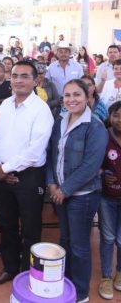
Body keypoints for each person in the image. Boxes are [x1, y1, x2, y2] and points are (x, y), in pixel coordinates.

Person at [0, 61, 54, 286]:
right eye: (15, 76)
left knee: (31, 228)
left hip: (29, 176)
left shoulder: (41, 110)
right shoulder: (5, 105)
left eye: (25, 76)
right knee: (6, 224)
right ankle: (10, 268)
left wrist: (4, 169)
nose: (19, 80)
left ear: (36, 81)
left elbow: (35, 151)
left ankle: (28, 275)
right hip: (3, 174)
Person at [46, 79, 108, 302]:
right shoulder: (60, 120)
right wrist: (52, 183)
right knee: (65, 240)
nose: (71, 100)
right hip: (59, 192)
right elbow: (52, 154)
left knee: (80, 246)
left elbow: (90, 167)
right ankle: (67, 282)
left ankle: (80, 293)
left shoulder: (95, 126)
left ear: (87, 95)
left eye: (77, 95)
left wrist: (65, 189)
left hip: (82, 196)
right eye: (67, 95)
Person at [98, 101, 121, 300]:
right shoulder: (104, 136)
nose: (119, 120)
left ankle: (120, 273)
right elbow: (95, 164)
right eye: (116, 115)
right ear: (110, 116)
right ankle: (106, 276)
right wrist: (103, 173)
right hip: (107, 197)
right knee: (107, 238)